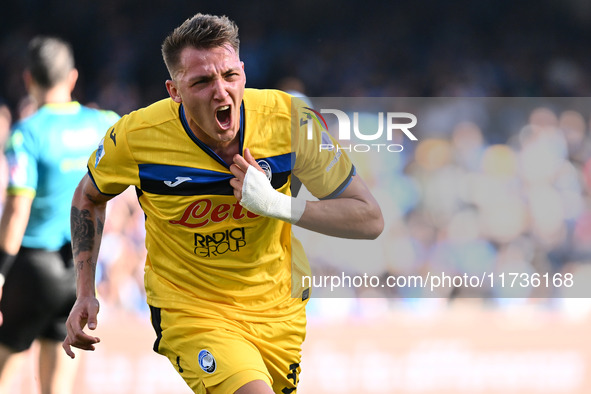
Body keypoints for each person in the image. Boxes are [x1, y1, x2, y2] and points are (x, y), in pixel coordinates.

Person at [62, 13, 383, 394]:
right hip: (191, 309)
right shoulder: (137, 137)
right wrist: (85, 290)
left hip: (277, 310)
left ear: (244, 73)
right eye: (201, 81)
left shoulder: (291, 122)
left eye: (230, 76)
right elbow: (88, 195)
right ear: (174, 90)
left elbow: (369, 218)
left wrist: (277, 205)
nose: (221, 91)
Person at [0, 36, 119, 394]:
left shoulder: (26, 134)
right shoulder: (105, 123)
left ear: (28, 80)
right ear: (72, 78)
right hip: (78, 269)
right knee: (57, 385)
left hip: (32, 268)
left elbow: (18, 207)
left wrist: (1, 270)